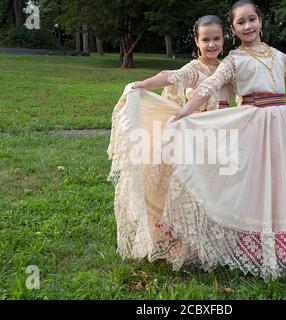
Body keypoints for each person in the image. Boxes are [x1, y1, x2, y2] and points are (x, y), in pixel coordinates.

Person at [157, 0, 286, 280]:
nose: (248, 26)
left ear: (260, 21)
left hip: (281, 124)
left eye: (251, 19)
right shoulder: (234, 60)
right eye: (240, 22)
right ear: (233, 28)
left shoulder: (277, 55)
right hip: (253, 125)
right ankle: (254, 245)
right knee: (256, 182)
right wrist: (185, 110)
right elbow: (209, 85)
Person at [107, 15, 234, 269]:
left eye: (216, 39)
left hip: (221, 136)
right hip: (196, 137)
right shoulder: (194, 69)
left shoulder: (228, 68)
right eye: (205, 39)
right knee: (193, 189)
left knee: (217, 189)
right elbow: (170, 75)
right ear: (197, 42)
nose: (211, 44)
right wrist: (144, 84)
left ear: (224, 40)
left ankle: (215, 242)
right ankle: (186, 247)